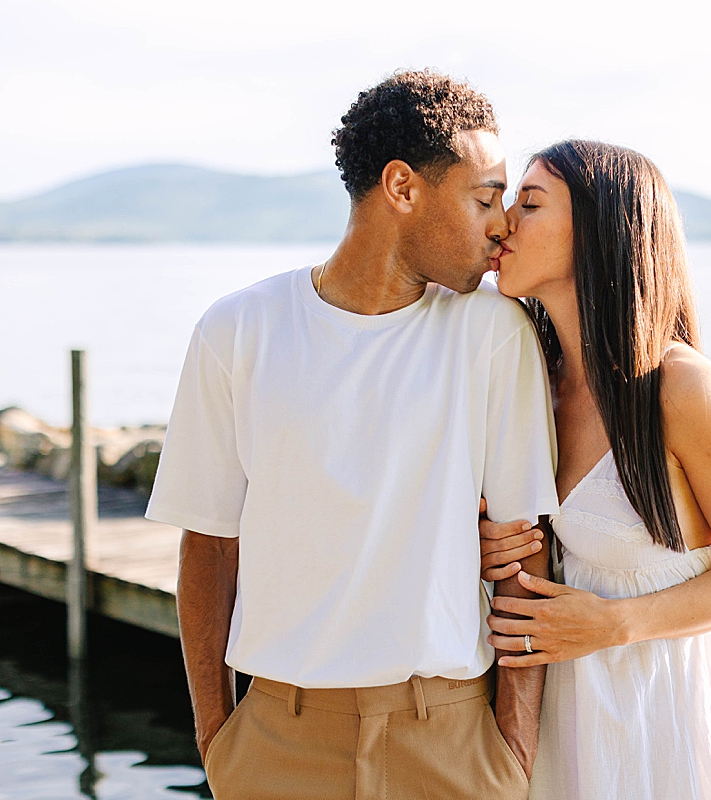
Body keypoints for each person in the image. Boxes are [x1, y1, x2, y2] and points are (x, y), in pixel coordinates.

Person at [146, 71, 559, 799]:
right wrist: (218, 740)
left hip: (452, 745)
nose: (501, 224)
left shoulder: (494, 333)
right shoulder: (237, 330)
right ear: (402, 188)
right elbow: (208, 543)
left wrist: (513, 755)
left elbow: (525, 554)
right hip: (276, 743)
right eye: (483, 197)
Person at [478, 140, 711, 800]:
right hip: (565, 719)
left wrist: (613, 625)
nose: (504, 221)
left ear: (599, 232)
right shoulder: (533, 376)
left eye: (529, 204)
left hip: (665, 717)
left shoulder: (679, 388)